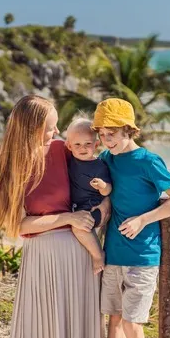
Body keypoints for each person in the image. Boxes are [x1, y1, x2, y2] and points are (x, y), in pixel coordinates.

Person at [0, 95, 109, 338]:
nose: (57, 133)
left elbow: (99, 170)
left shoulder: (61, 149)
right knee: (45, 330)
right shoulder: (9, 167)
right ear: (31, 128)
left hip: (80, 253)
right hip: (43, 257)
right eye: (50, 128)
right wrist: (69, 218)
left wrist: (106, 204)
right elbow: (18, 225)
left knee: (80, 329)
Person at [92, 98, 170, 338]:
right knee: (114, 320)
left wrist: (143, 219)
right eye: (101, 135)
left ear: (127, 129)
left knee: (132, 324)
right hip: (112, 253)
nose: (106, 140)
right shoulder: (106, 158)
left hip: (143, 256)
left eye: (111, 134)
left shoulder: (149, 161)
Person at [65, 117, 112, 274]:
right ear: (69, 146)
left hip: (93, 206)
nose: (82, 148)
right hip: (77, 207)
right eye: (77, 144)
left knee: (78, 228)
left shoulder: (99, 166)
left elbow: (108, 190)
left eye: (88, 144)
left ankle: (98, 255)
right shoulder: (69, 161)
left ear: (96, 145)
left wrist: (102, 186)